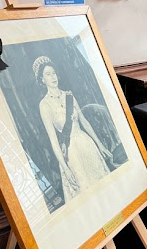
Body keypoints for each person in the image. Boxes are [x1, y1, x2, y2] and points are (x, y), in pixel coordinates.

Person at [33, 56, 113, 202]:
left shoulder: (69, 95)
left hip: (87, 145)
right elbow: (53, 139)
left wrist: (100, 145)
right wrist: (65, 168)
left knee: (104, 188)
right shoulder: (44, 105)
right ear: (42, 79)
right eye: (48, 74)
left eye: (54, 72)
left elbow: (84, 121)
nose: (53, 77)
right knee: (86, 193)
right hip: (71, 154)